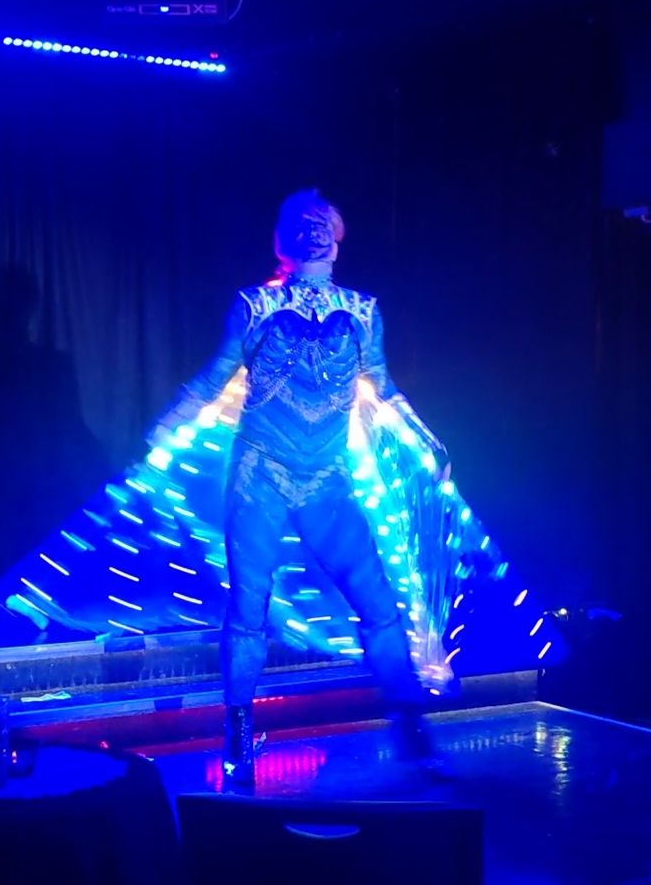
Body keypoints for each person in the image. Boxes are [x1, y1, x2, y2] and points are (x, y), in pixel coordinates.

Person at [152, 189, 451, 786]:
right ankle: (239, 737)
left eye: (322, 226)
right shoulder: (255, 305)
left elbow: (383, 385)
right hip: (260, 474)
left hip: (326, 481)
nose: (315, 235)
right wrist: (162, 430)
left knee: (376, 602)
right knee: (249, 609)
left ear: (335, 240)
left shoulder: (362, 310)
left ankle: (409, 721)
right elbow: (213, 378)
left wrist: (427, 441)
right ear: (286, 241)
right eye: (305, 226)